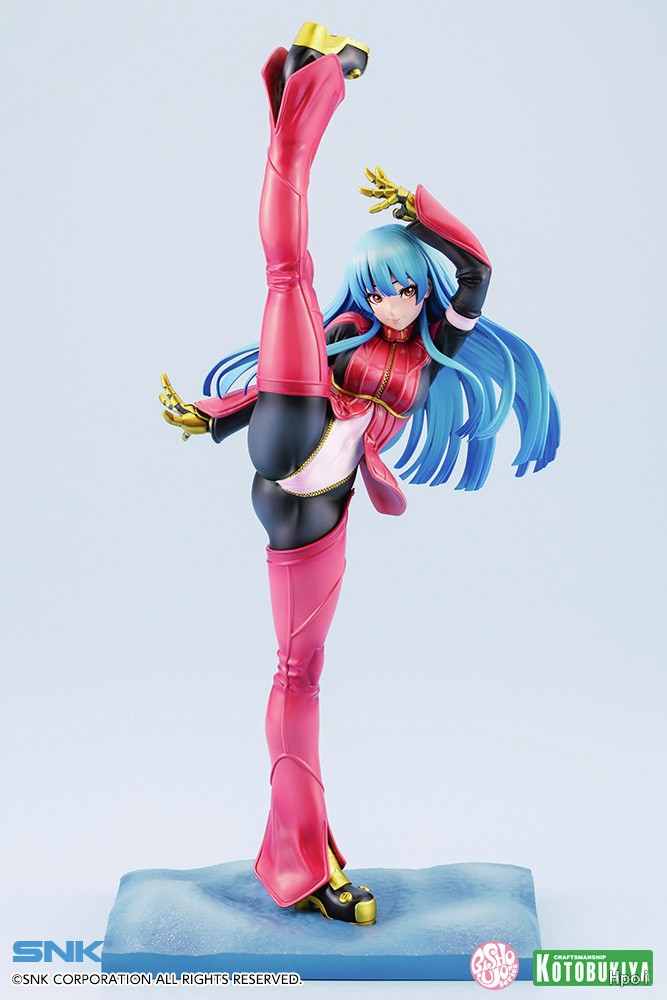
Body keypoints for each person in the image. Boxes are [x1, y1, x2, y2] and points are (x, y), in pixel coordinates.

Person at [159, 22, 560, 927]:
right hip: (289, 446)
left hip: (318, 509)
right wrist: (216, 416)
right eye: (378, 289)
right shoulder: (341, 337)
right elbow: (275, 382)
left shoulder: (432, 346)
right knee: (286, 277)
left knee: (297, 674)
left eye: (403, 288)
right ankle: (307, 99)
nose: (392, 303)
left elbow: (477, 270)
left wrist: (419, 211)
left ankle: (298, 859)